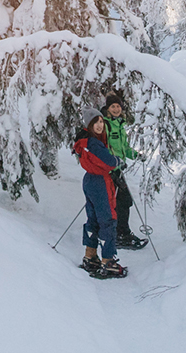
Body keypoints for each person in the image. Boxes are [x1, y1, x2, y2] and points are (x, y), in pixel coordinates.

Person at [72, 107, 127, 279]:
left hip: (89, 180)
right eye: (95, 122)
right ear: (89, 124)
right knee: (107, 219)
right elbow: (109, 161)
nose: (99, 125)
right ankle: (108, 261)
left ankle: (90, 256)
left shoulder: (84, 141)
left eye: (101, 121)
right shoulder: (93, 143)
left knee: (93, 219)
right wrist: (119, 161)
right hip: (101, 182)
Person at [101, 92, 148, 250]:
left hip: (119, 169)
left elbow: (124, 148)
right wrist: (112, 164)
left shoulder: (119, 124)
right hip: (110, 170)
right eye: (113, 106)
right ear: (108, 109)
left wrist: (136, 155)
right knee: (121, 201)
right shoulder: (105, 124)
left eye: (118, 106)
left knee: (123, 201)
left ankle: (120, 233)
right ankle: (121, 234)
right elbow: (104, 148)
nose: (116, 109)